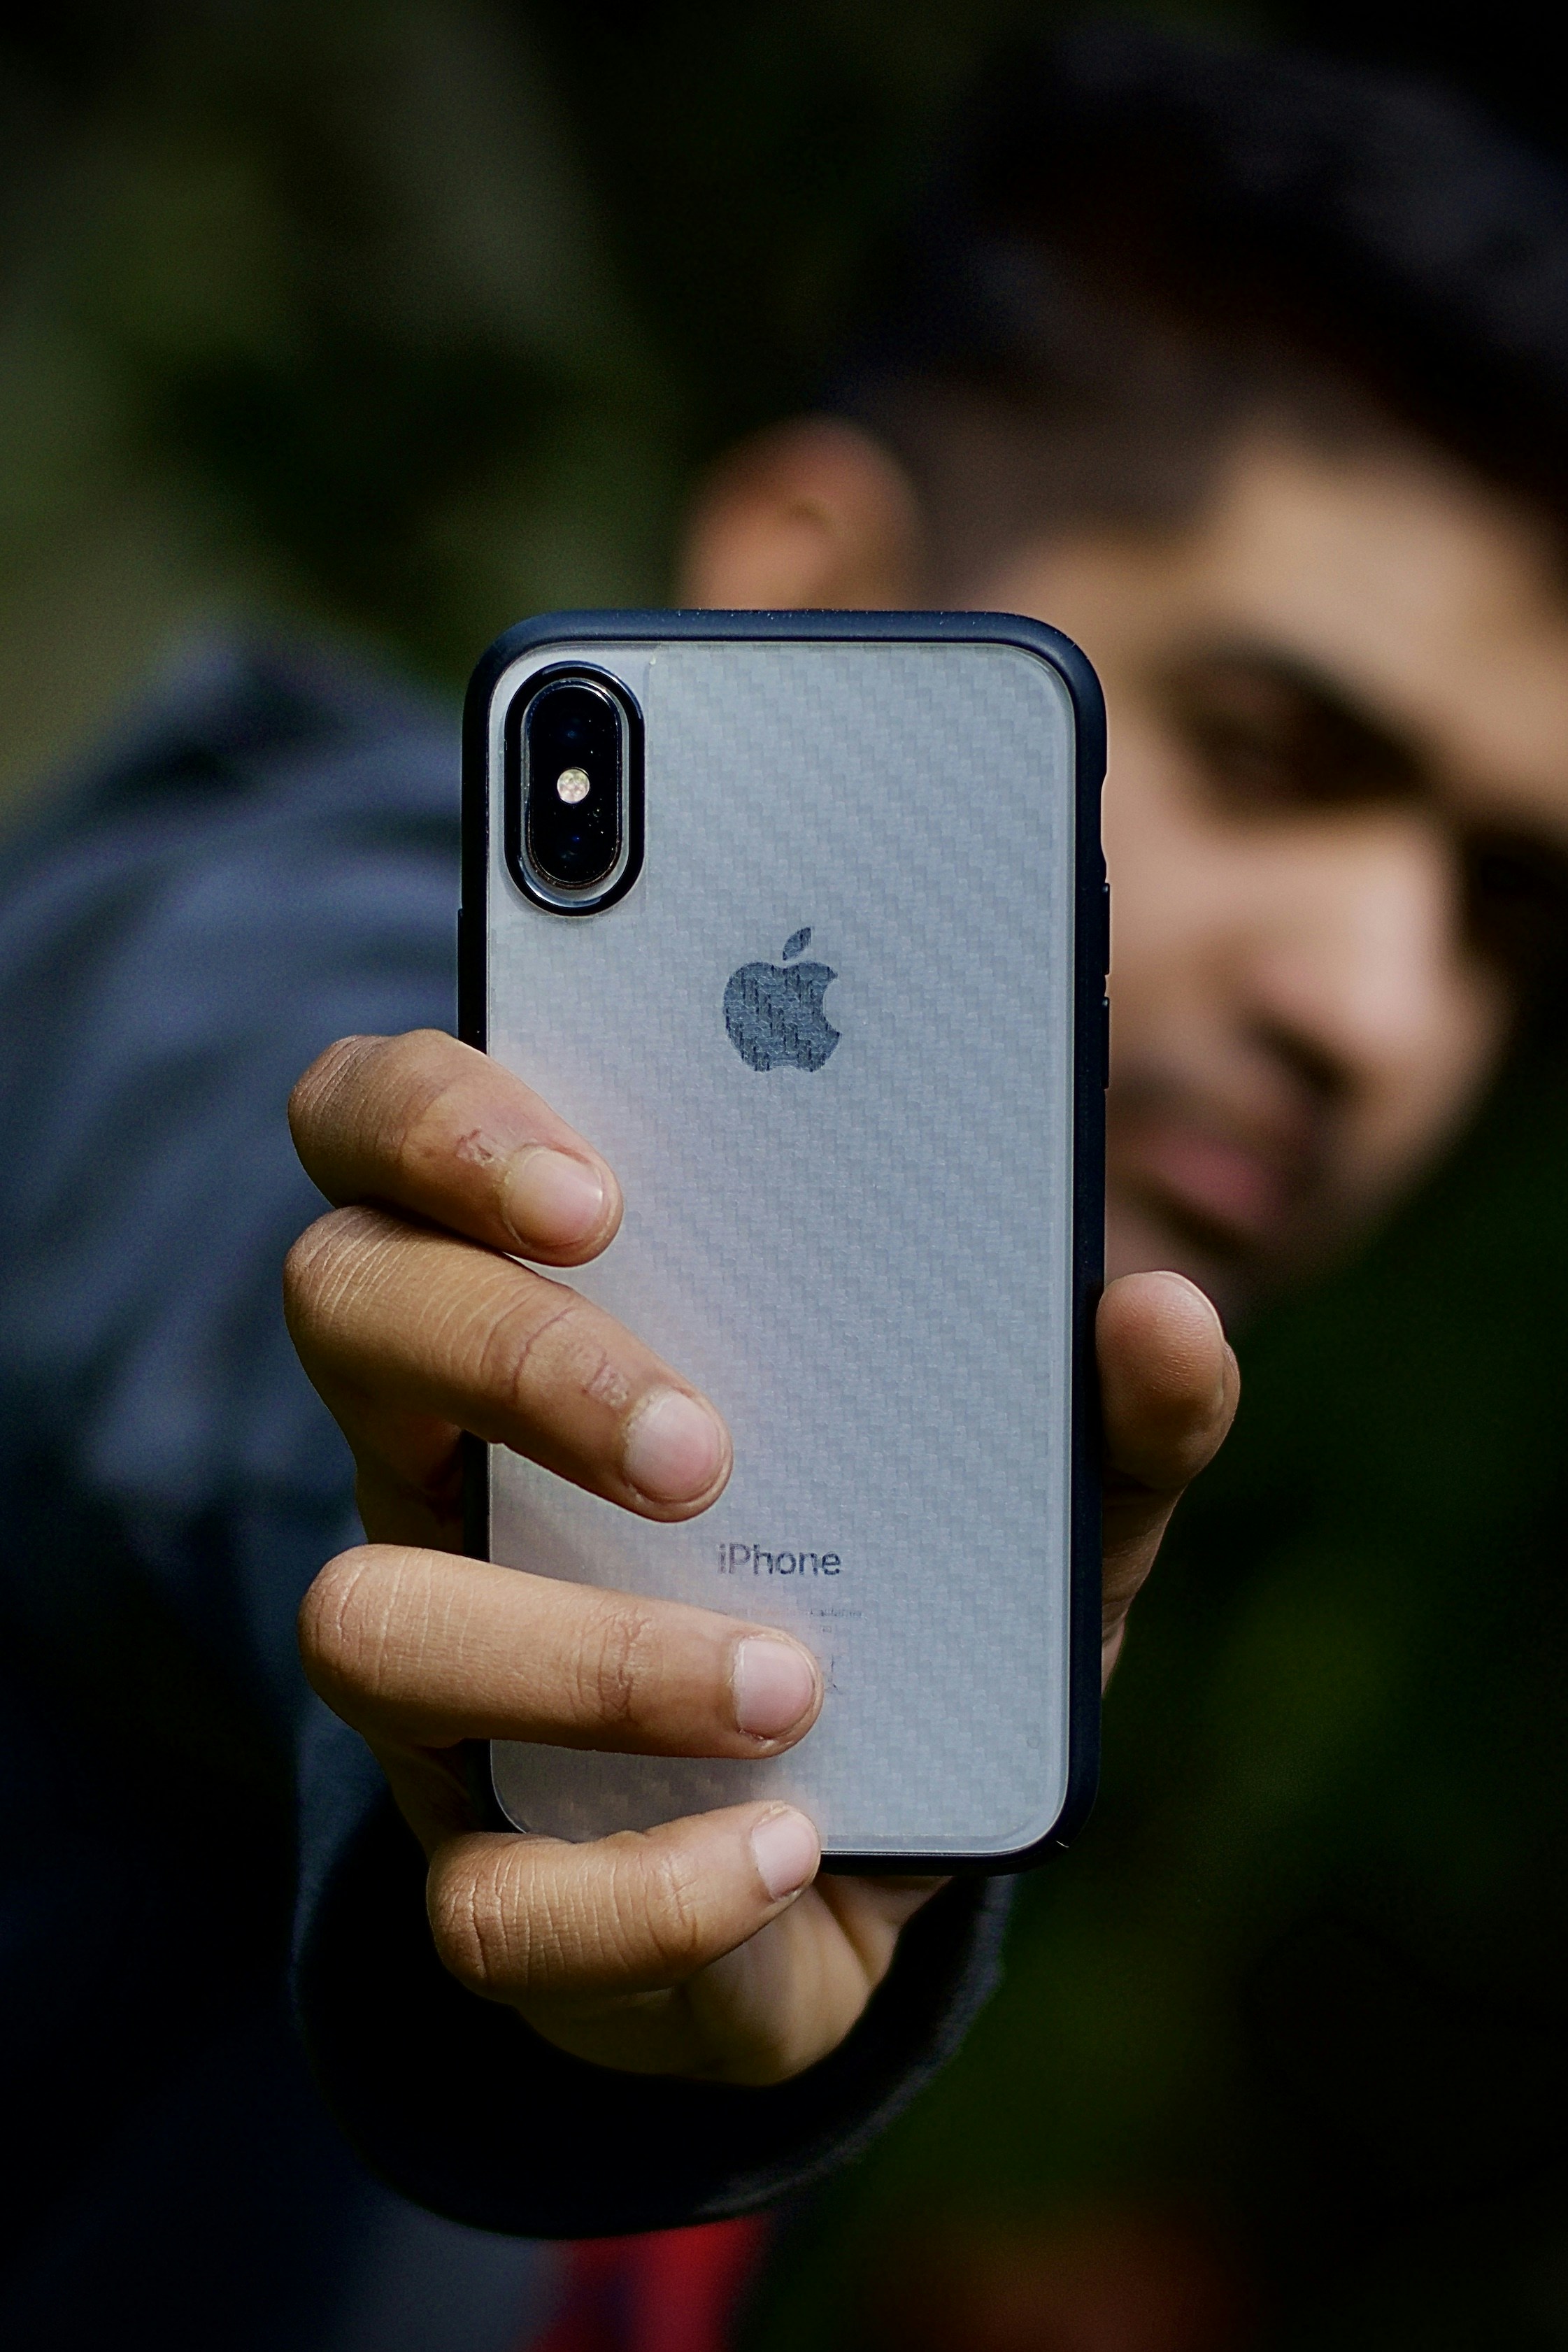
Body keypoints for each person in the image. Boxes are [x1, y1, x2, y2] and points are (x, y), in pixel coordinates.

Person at [1, 12, 1562, 2346]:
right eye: (1268, 751)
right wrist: (430, 1516)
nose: (1378, 1005)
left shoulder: (959, 1510)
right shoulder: (226, 923)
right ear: (804, 581)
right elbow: (222, 1258)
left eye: (1506, 907)